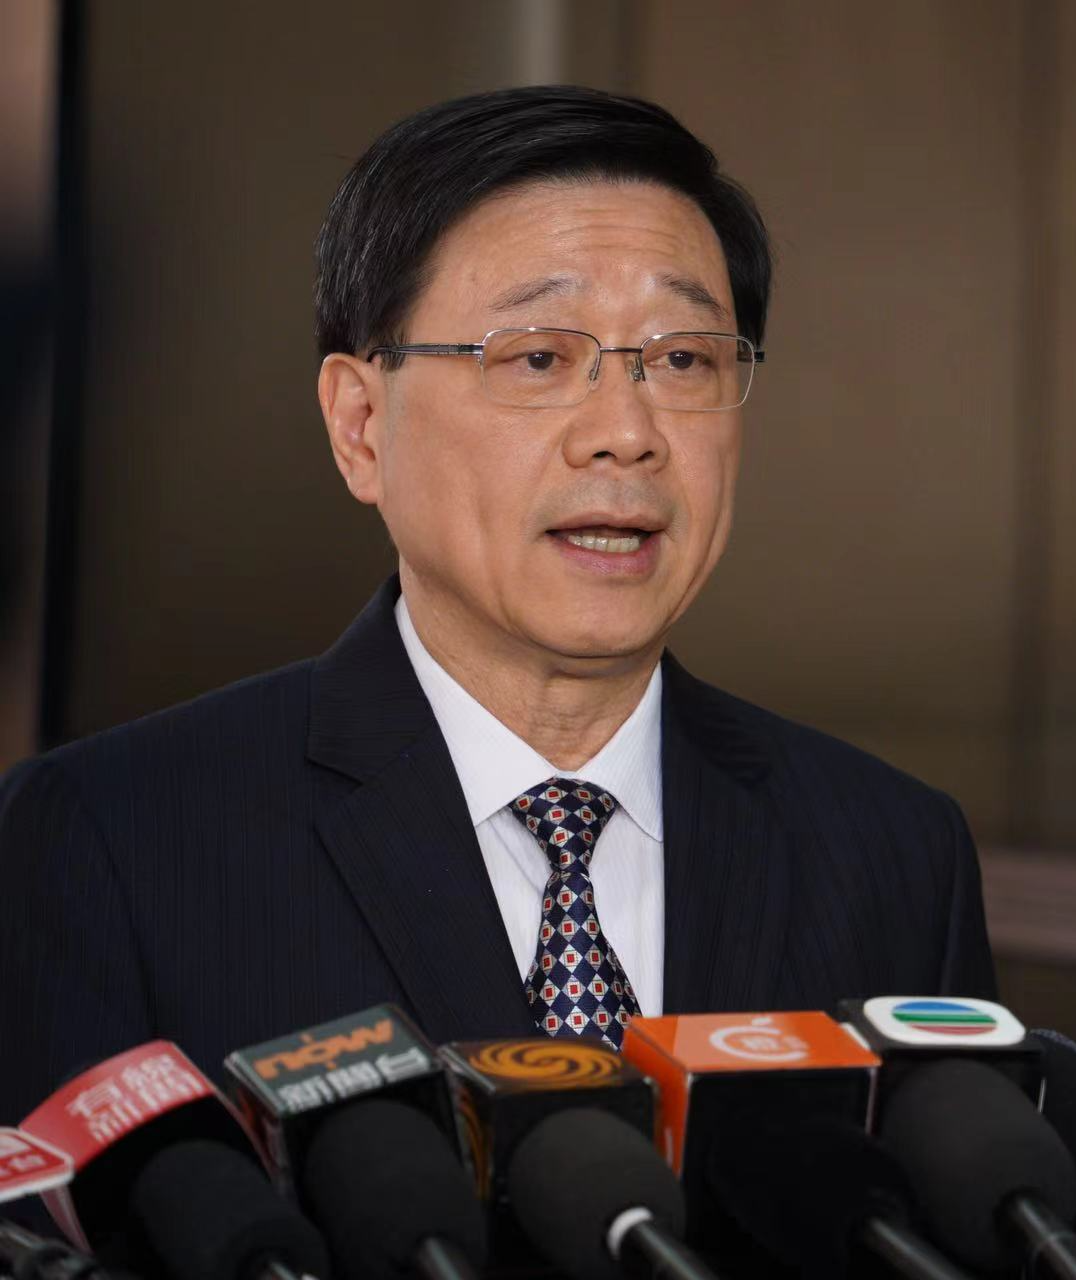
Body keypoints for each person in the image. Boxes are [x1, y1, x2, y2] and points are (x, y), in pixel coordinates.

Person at [0, 86, 994, 1124]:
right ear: (360, 426)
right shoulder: (115, 844)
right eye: (538, 358)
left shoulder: (892, 855)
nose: (626, 433)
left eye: (682, 360)